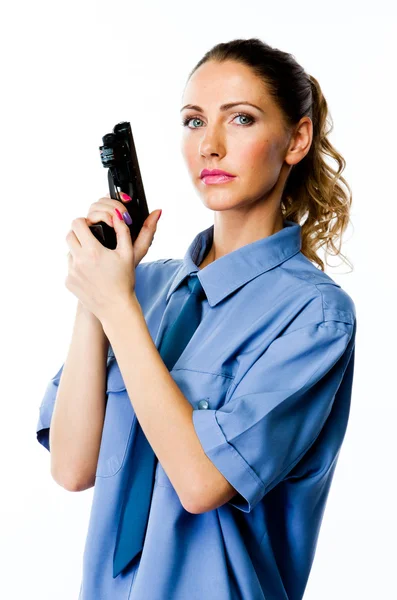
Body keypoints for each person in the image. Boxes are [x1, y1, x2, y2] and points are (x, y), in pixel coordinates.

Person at [36, 37, 357, 600]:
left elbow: (202, 482)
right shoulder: (142, 285)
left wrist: (117, 307)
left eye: (241, 118)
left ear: (296, 139)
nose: (210, 146)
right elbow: (71, 467)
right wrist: (97, 292)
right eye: (192, 121)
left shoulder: (315, 316)